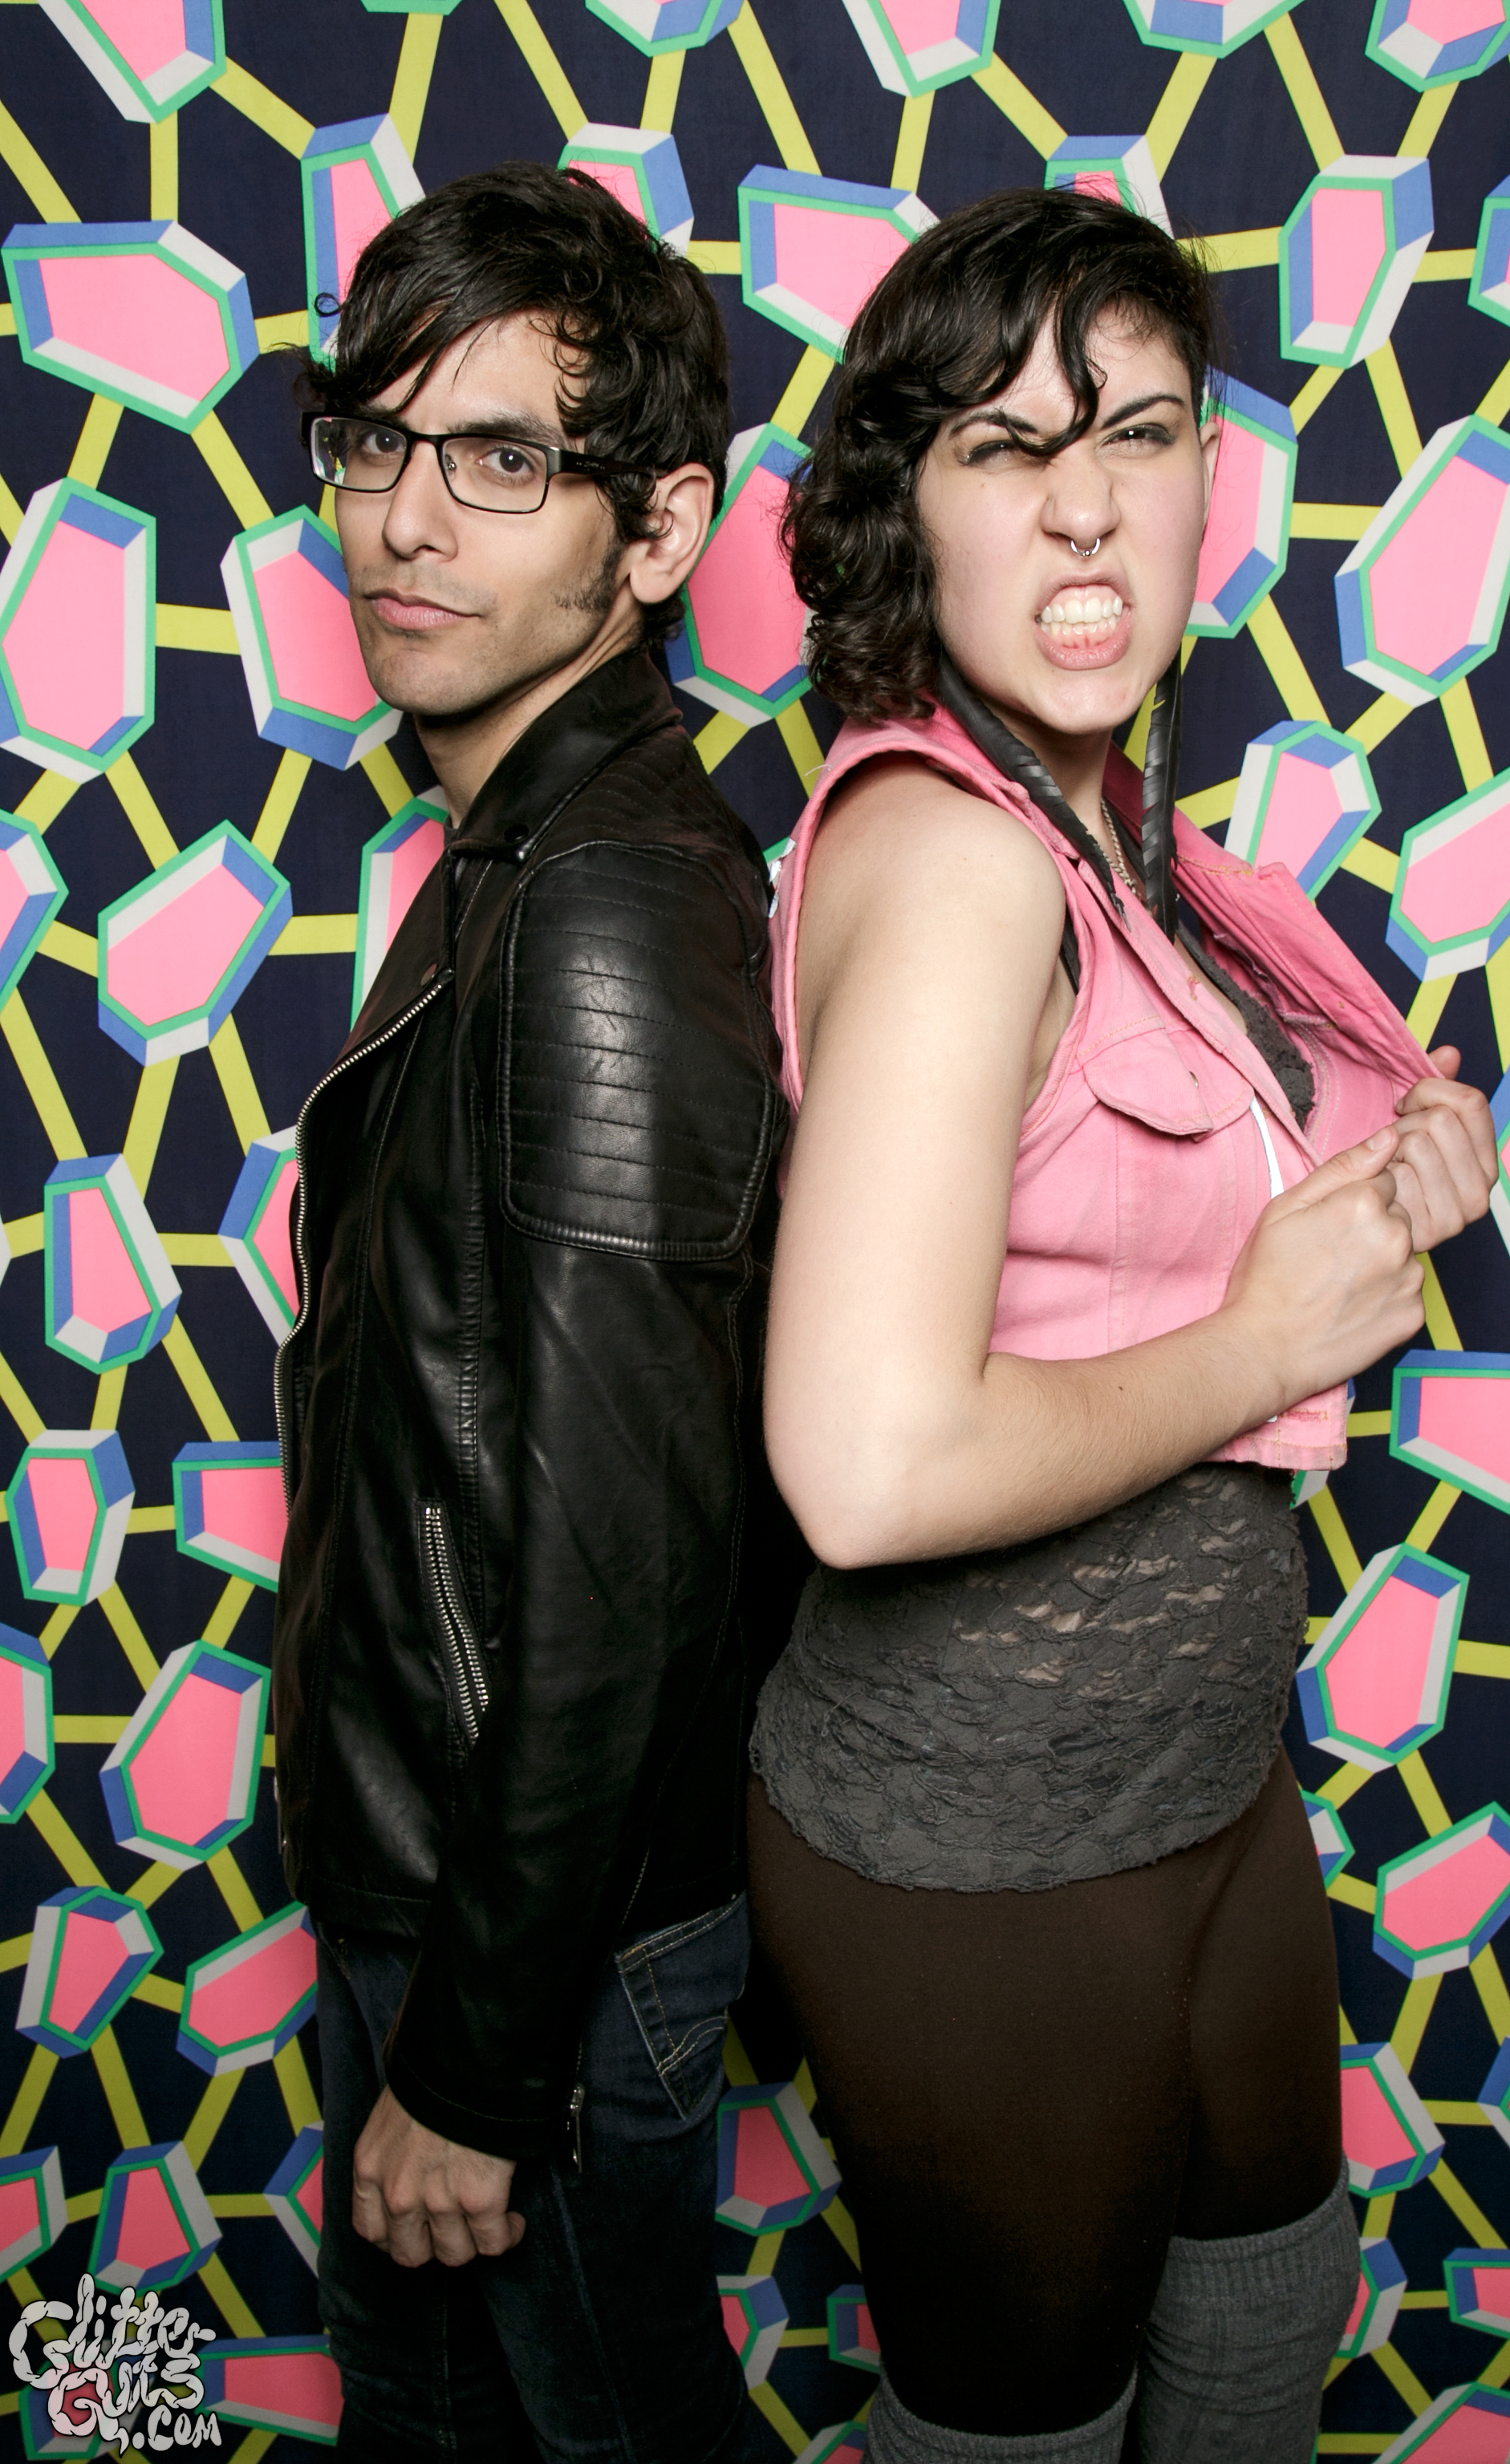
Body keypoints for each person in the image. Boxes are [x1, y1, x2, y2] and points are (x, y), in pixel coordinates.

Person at [746, 188, 1497, 2464]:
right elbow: (862, 1468)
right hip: (984, 1842)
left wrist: (1407, 1159)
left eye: (1139, 431)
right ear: (911, 510)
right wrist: (1272, 1341)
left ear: (1205, 480)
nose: (1084, 501)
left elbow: (1177, 1166)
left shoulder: (1109, 833)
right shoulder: (962, 861)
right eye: (1003, 445)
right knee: (1029, 2431)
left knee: (1268, 2315)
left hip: (1201, 1777)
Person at [270, 163, 791, 2463]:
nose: (404, 520)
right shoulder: (520, 853)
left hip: (533, 1956)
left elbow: (625, 1561)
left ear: (663, 527)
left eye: (501, 458)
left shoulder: (601, 911)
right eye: (375, 442)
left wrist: (479, 2070)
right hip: (469, 1895)